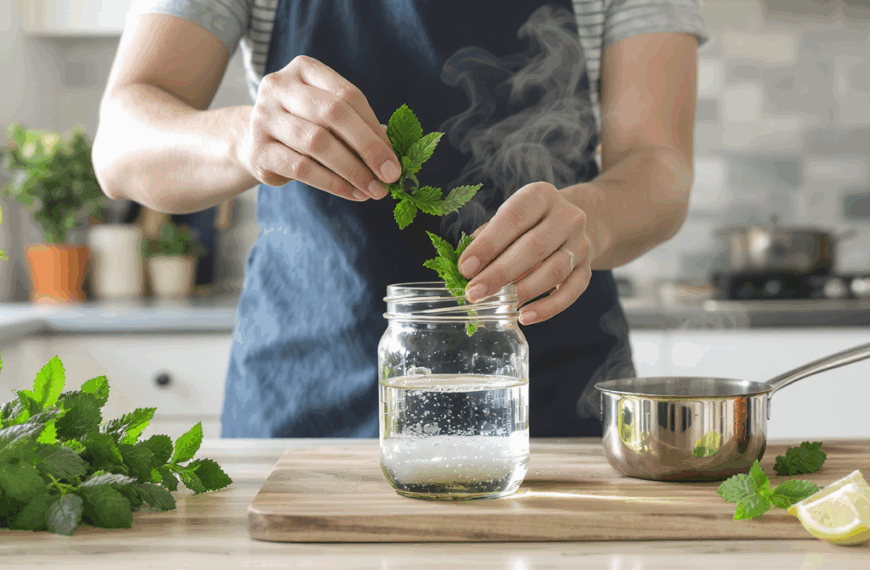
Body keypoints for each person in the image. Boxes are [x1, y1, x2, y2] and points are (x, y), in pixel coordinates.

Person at [93, 0, 708, 438]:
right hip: (308, 398)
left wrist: (591, 219)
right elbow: (122, 145)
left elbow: (660, 167)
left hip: (543, 398)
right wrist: (243, 136)